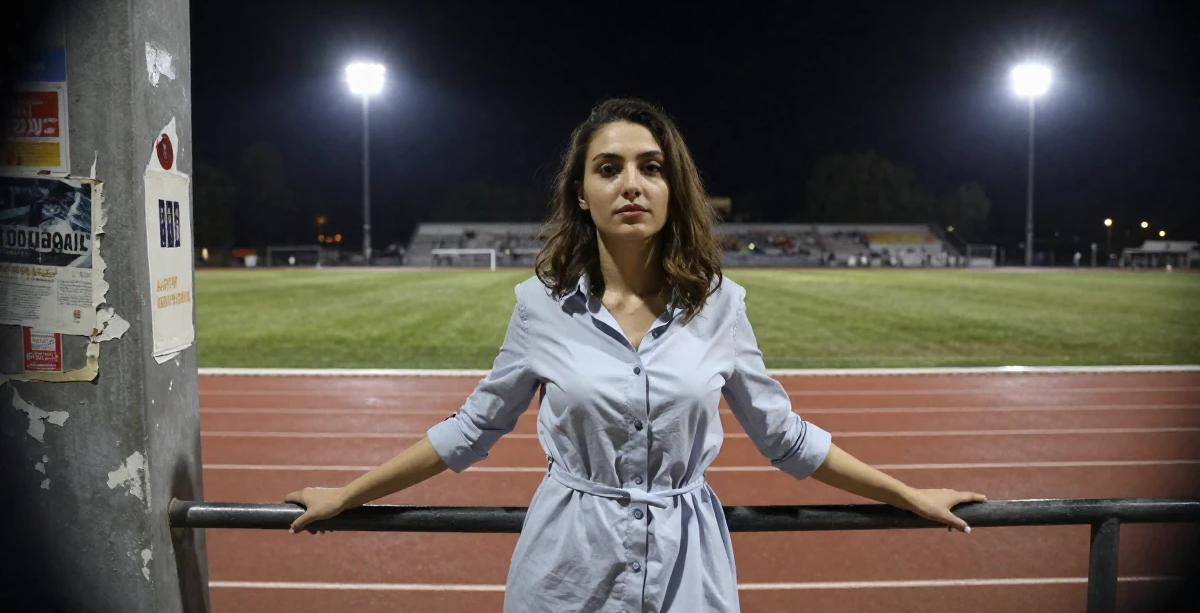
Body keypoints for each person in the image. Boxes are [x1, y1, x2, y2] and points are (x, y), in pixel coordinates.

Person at [285, 98, 986, 612]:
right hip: (568, 568)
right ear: (582, 195)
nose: (631, 184)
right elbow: (471, 429)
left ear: (672, 188)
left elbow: (784, 437)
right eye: (609, 168)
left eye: (651, 168)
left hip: (690, 570)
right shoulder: (539, 307)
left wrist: (907, 495)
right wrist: (346, 496)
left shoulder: (722, 305)